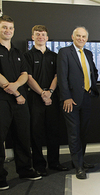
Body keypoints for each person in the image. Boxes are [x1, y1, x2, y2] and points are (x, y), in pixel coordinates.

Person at [0, 15, 42, 191]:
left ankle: (25, 169)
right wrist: (15, 91)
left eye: (10, 28)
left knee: (23, 136)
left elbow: (25, 74)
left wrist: (16, 86)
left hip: (20, 100)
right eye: (4, 27)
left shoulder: (18, 53)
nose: (7, 30)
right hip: (3, 100)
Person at [24, 25, 69, 176]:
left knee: (53, 132)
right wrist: (42, 93)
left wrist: (49, 92)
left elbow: (57, 76)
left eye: (43, 34)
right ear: (33, 37)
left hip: (52, 98)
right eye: (37, 34)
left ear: (47, 38)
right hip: (35, 99)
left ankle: (54, 162)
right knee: (36, 133)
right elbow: (28, 77)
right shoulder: (27, 56)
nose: (41, 37)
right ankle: (39, 165)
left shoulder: (54, 56)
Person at [57, 26, 99, 179]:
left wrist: (91, 87)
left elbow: (93, 71)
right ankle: (79, 167)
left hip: (86, 97)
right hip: (71, 100)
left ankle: (80, 160)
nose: (81, 39)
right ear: (72, 37)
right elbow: (62, 76)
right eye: (78, 36)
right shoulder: (64, 52)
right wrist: (66, 97)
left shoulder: (88, 53)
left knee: (84, 132)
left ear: (87, 39)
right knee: (74, 133)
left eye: (84, 37)